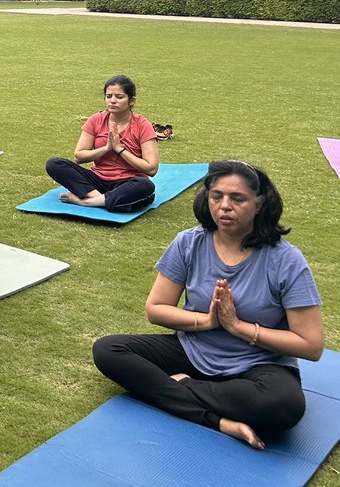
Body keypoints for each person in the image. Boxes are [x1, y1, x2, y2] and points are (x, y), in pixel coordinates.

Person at [93, 161, 324, 450]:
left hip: (258, 363)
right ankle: (216, 420)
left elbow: (311, 345)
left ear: (259, 203)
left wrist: (237, 327)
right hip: (193, 351)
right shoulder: (189, 242)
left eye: (237, 198)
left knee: (284, 405)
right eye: (217, 196)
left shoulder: (286, 260)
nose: (224, 206)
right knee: (108, 350)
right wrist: (207, 322)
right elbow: (156, 308)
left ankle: (181, 387)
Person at [45, 75, 160, 213]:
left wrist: (119, 149)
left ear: (132, 101)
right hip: (98, 181)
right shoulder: (96, 120)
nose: (112, 101)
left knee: (145, 186)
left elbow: (151, 169)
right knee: (54, 164)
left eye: (119, 97)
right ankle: (103, 200)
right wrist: (106, 149)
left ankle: (86, 202)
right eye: (108, 96)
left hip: (128, 183)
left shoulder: (143, 125)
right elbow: (79, 156)